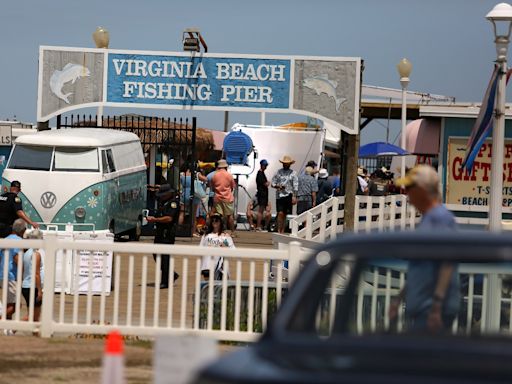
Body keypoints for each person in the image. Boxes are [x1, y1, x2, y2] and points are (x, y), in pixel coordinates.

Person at [389, 165, 460, 333]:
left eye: (410, 188)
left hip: (432, 311)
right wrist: (399, 298)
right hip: (425, 308)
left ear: (421, 190)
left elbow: (447, 260)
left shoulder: (439, 218)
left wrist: (436, 305)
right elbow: (420, 266)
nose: (407, 193)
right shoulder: (430, 218)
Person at [146, 184, 180, 289]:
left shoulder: (173, 204)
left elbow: (169, 218)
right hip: (160, 233)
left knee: (165, 258)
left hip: (167, 233)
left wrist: (155, 220)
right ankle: (172, 275)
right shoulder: (163, 203)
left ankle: (166, 281)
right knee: (157, 254)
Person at [0, 219, 26, 331]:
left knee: (7, 304)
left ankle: (8, 330)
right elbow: (17, 258)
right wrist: (24, 274)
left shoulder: (5, 239)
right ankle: (2, 321)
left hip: (2, 274)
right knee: (15, 305)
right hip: (11, 275)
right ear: (23, 230)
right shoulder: (19, 241)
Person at [200, 213, 234, 280]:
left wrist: (225, 247)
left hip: (221, 267)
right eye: (213, 220)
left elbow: (233, 250)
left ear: (220, 222)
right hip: (207, 265)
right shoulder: (206, 235)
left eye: (216, 220)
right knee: (209, 286)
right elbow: (200, 249)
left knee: (221, 287)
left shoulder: (225, 236)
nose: (214, 222)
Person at [271, 155, 298, 234]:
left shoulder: (293, 173)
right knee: (280, 212)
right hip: (280, 195)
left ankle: (282, 230)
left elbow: (295, 185)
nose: (285, 165)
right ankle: (279, 229)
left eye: (287, 163)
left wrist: (294, 196)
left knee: (285, 213)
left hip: (289, 195)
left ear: (290, 164)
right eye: (284, 163)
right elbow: (272, 183)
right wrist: (278, 186)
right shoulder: (278, 172)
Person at [21, 229, 44, 322]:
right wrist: (39, 290)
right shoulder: (36, 254)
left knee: (34, 315)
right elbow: (36, 274)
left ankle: (35, 333)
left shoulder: (26, 253)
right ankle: (11, 329)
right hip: (32, 287)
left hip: (26, 286)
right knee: (33, 315)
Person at [211, 159, 236, 232]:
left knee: (219, 215)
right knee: (230, 215)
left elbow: (212, 187)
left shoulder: (214, 175)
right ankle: (232, 232)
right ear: (225, 167)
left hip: (218, 198)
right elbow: (232, 186)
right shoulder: (229, 175)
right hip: (227, 198)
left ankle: (219, 230)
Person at [256, 159, 270, 231]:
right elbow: (265, 183)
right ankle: (258, 226)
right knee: (260, 211)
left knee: (262, 210)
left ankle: (260, 225)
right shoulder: (260, 174)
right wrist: (267, 183)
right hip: (262, 194)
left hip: (263, 195)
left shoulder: (262, 173)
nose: (266, 167)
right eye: (265, 165)